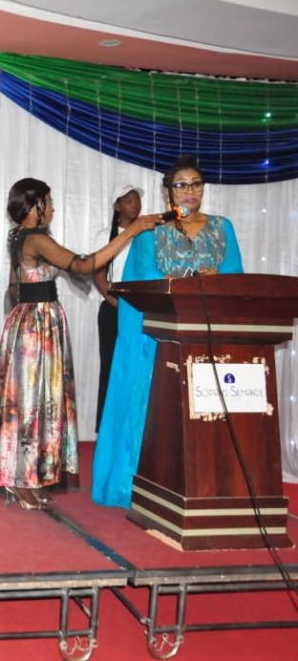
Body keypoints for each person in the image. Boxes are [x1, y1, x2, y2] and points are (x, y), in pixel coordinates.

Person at [0, 179, 161, 510]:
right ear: (34, 205)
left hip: (35, 321)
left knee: (39, 400)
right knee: (32, 402)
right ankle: (20, 479)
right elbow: (83, 264)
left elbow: (15, 283)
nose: (53, 208)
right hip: (36, 325)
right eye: (48, 202)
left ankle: (30, 476)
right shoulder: (35, 238)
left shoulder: (20, 236)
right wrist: (130, 232)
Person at [92, 155, 243, 507]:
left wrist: (216, 279)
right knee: (156, 408)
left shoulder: (223, 226)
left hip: (207, 333)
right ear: (168, 193)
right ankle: (148, 481)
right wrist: (177, 282)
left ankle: (204, 482)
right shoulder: (151, 230)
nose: (190, 191)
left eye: (196, 184)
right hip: (160, 338)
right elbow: (140, 281)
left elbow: (236, 276)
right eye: (182, 185)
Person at [93, 185, 143, 431]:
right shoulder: (106, 235)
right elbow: (98, 273)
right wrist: (115, 302)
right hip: (113, 309)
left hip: (141, 310)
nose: (135, 204)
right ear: (117, 206)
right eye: (129, 200)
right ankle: (107, 428)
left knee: (137, 367)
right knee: (111, 368)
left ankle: (135, 426)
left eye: (137, 199)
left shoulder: (146, 235)